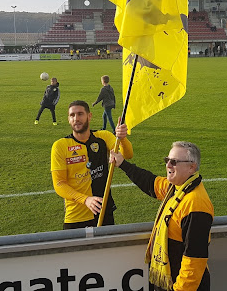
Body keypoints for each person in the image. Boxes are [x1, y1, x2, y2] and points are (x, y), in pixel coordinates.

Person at [111, 140, 213, 291]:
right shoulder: (178, 187)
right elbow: (151, 183)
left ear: (192, 167)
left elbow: (194, 259)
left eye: (174, 162)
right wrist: (123, 164)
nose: (168, 165)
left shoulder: (196, 203)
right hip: (168, 281)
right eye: (167, 160)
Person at [51, 100, 133, 229]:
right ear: (68, 119)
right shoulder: (60, 146)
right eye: (72, 115)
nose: (76, 118)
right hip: (76, 216)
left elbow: (127, 154)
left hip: (103, 212)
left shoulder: (103, 137)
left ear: (89, 116)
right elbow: (59, 183)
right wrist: (85, 199)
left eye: (80, 114)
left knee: (106, 249)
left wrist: (122, 138)